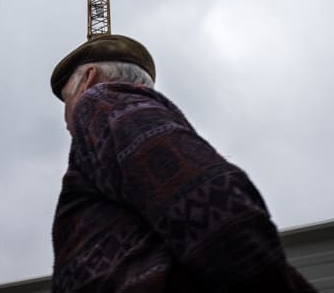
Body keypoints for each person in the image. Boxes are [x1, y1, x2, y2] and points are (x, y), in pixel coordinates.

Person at [49, 34, 316, 292]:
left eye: (67, 97)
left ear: (89, 78)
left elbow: (216, 205)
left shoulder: (104, 102)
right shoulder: (130, 122)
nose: (65, 119)